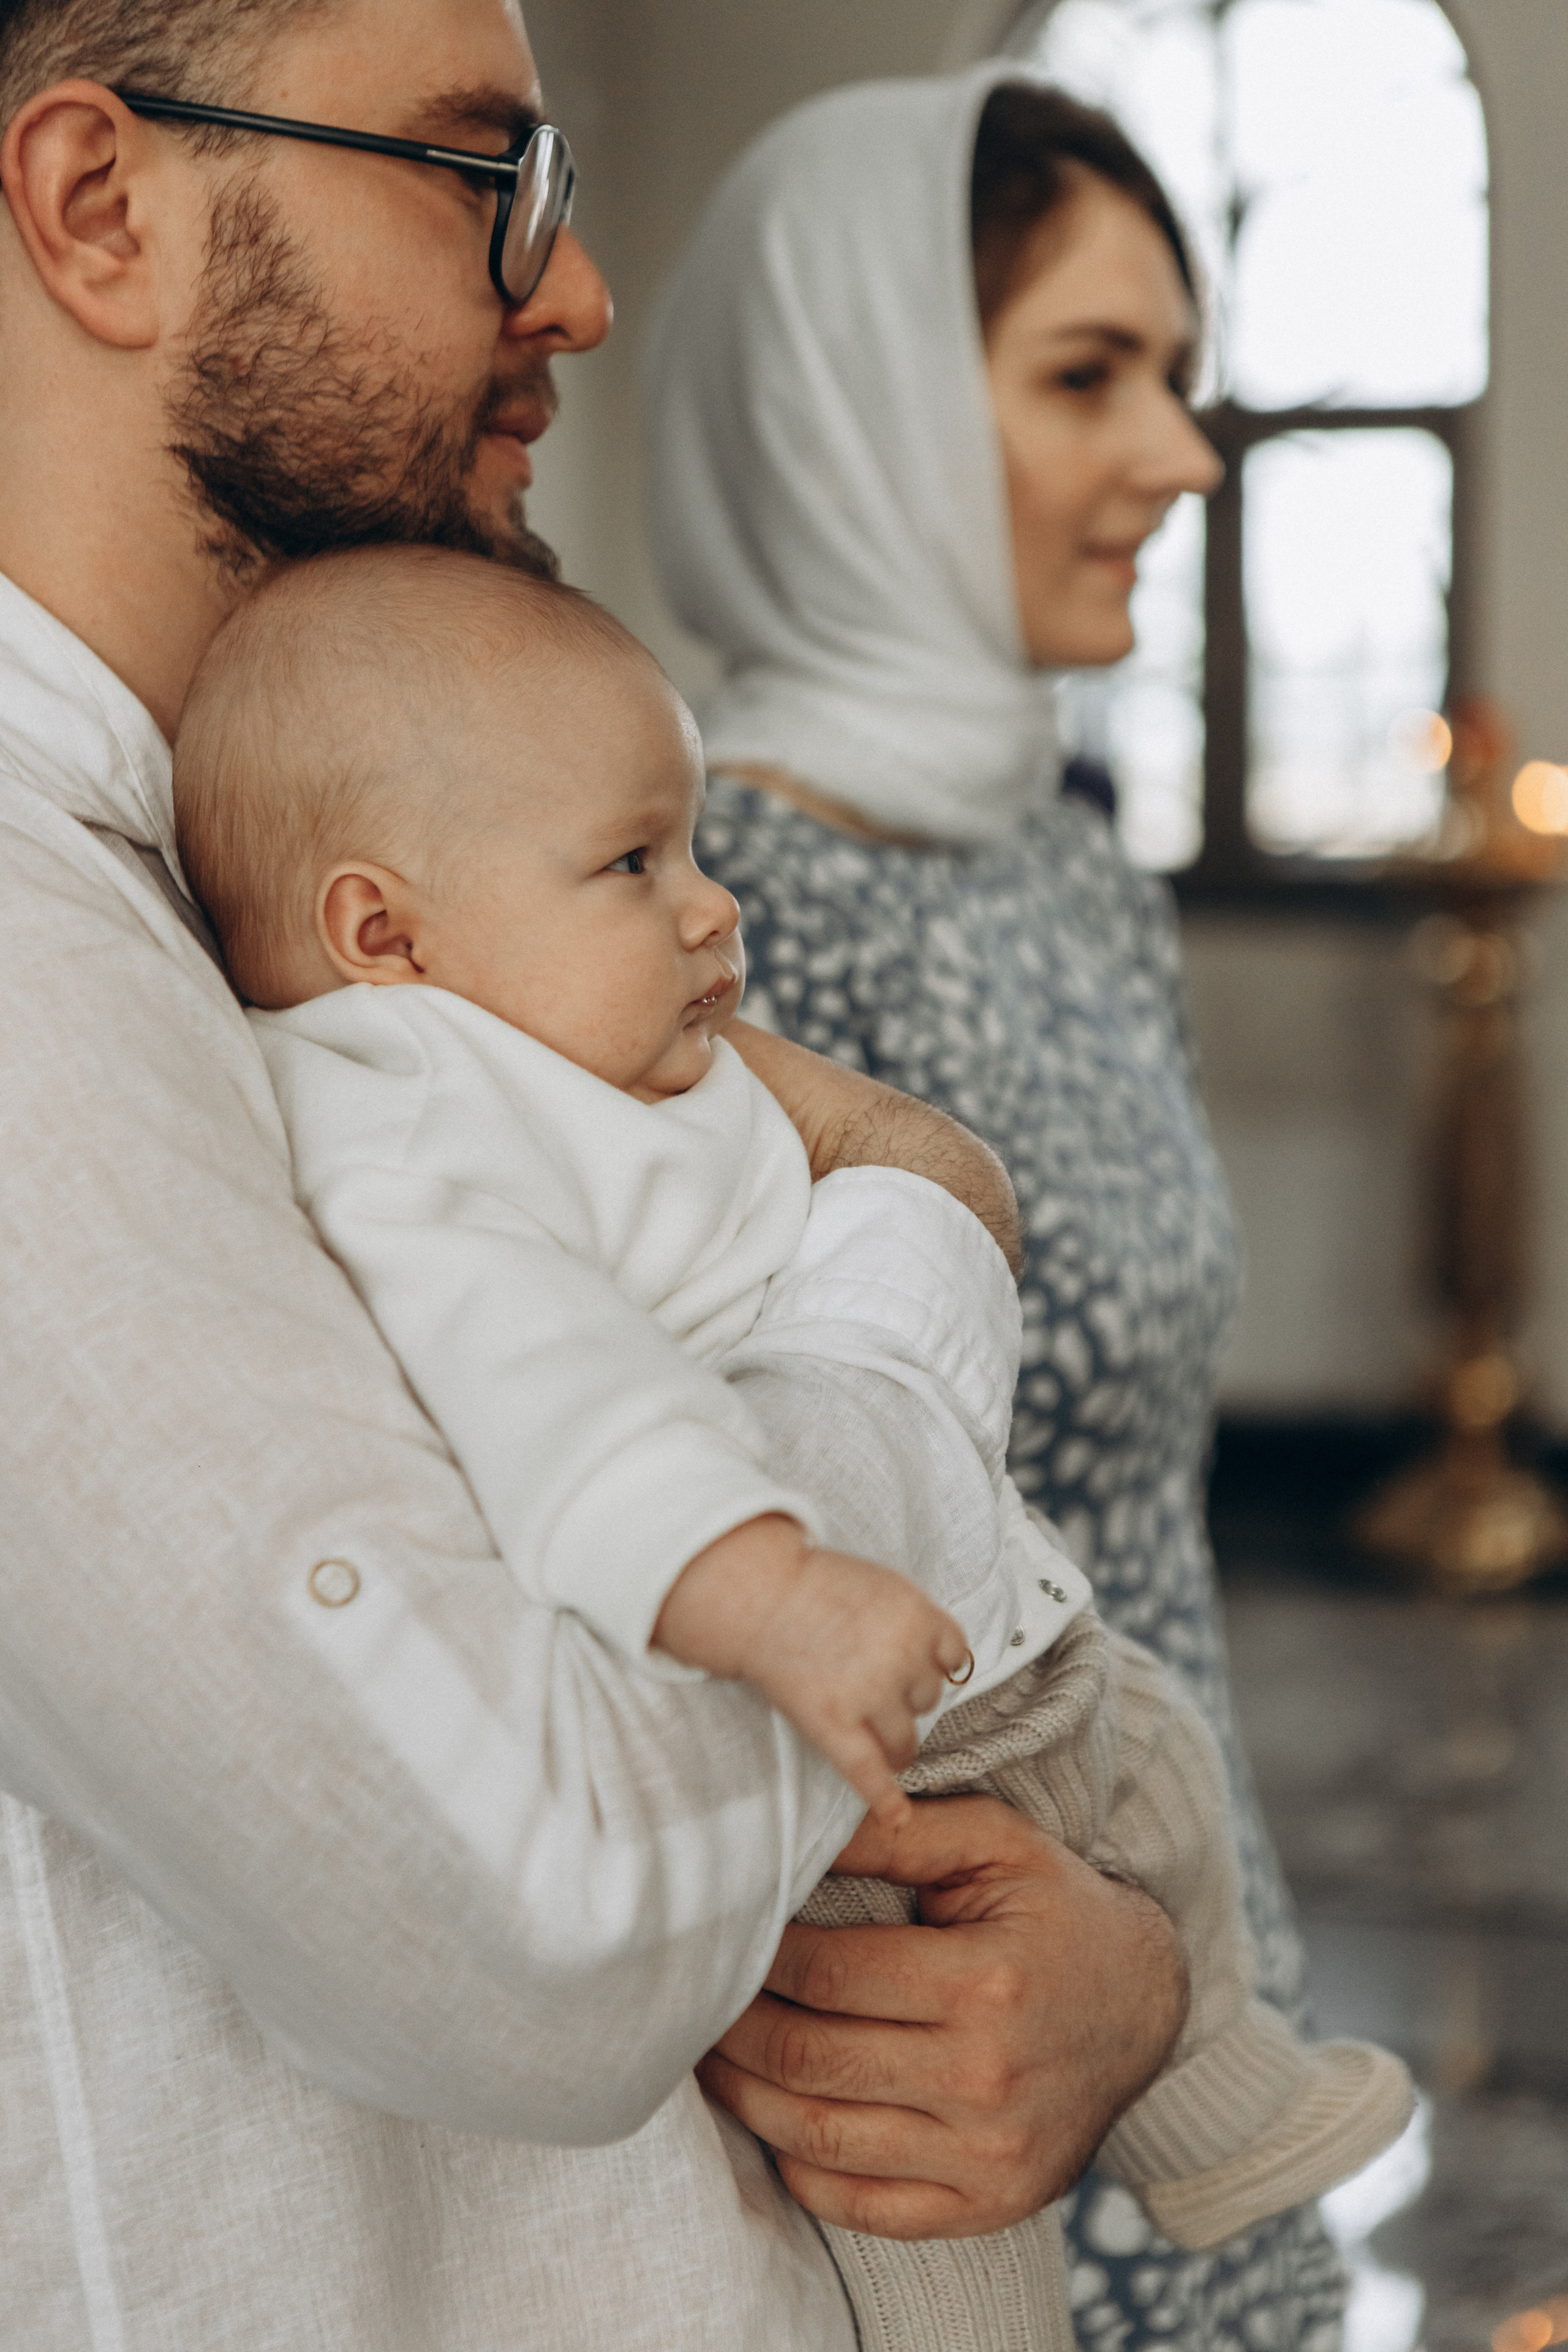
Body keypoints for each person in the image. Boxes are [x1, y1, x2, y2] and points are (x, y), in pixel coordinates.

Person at [0, 6, 1193, 2346]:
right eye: (485, 175)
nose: (577, 289)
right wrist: (909, 1265)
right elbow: (528, 1908)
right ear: (99, 208)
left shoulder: (390, 884)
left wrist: (1101, 1958)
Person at [171, 541, 1413, 2352]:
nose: (711, 908)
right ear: (383, 933)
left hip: (984, 1626)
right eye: (633, 864)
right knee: (937, 2224)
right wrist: (771, 1593)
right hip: (848, 1728)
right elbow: (558, 1396)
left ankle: (1225, 2116)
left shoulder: (593, 1050)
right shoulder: (411, 1118)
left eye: (690, 850)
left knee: (1166, 1785)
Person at [647, 61, 1354, 2351]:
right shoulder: (690, 901)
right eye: (1086, 375)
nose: (1182, 455)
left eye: (1178, 374)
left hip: (1181, 1982)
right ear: (847, 403)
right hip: (931, 2085)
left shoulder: (1066, 862)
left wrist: (1180, 1973)